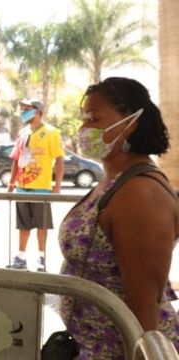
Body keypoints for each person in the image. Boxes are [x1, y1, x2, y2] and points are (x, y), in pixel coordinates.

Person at [57, 77, 179, 358]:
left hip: (124, 349)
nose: (84, 128)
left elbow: (144, 303)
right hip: (93, 347)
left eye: (93, 118)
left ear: (130, 124)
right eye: (83, 118)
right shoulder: (114, 180)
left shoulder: (140, 193)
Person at [6, 98, 64, 271]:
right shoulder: (22, 133)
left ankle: (41, 257)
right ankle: (21, 257)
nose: (23, 112)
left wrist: (57, 186)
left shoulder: (51, 132)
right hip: (21, 188)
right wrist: (11, 184)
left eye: (27, 109)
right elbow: (16, 160)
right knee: (23, 225)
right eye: (22, 109)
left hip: (41, 188)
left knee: (42, 225)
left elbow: (59, 160)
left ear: (38, 111)